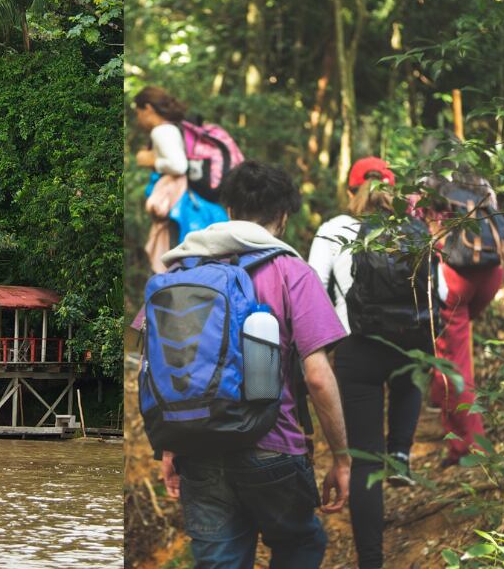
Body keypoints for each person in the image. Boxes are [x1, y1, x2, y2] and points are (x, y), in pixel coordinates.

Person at [160, 160, 350, 569]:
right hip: (273, 446)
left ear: (228, 210)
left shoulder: (181, 271)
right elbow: (317, 377)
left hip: (198, 447)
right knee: (300, 544)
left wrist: (169, 447)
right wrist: (342, 458)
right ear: (282, 216)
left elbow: (169, 364)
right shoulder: (291, 272)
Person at [308, 157, 443, 569]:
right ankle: (400, 451)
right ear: (393, 190)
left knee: (364, 462)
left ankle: (371, 561)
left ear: (352, 191)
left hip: (357, 350)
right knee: (409, 374)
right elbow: (438, 295)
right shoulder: (417, 230)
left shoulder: (335, 230)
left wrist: (325, 347)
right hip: (409, 345)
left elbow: (314, 290)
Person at [423, 168, 504, 467]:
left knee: (453, 363)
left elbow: (422, 225)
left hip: (456, 274)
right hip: (492, 271)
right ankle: (448, 414)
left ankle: (469, 446)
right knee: (454, 357)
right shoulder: (480, 181)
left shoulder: (432, 184)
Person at [133, 87, 228, 272]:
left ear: (148, 108)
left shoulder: (162, 131)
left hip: (179, 206)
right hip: (189, 203)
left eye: (138, 113)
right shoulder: (176, 128)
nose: (138, 119)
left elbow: (178, 166)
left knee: (177, 262)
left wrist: (152, 160)